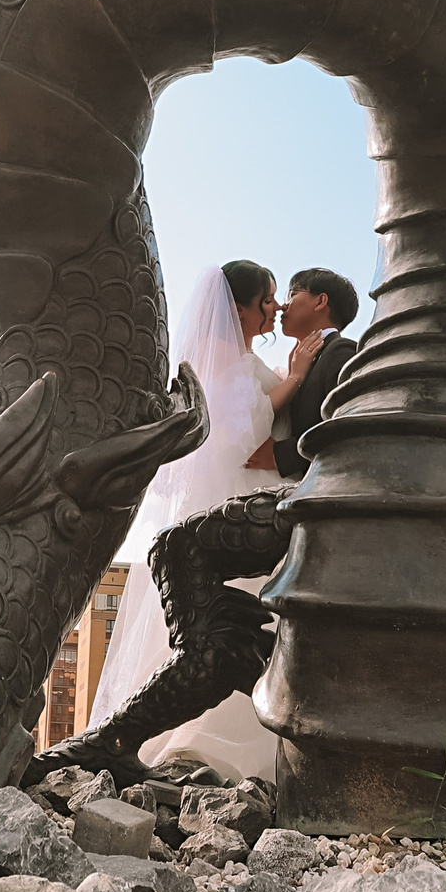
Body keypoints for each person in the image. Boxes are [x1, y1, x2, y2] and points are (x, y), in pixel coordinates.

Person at [85, 259, 281, 777]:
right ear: (240, 308)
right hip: (237, 502)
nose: (275, 309)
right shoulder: (222, 365)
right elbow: (240, 435)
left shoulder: (244, 362)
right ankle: (202, 744)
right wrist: (297, 380)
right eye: (267, 301)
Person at [246, 267, 360, 479]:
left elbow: (348, 424)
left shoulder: (341, 351)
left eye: (292, 295)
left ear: (320, 302)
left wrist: (280, 455)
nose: (282, 306)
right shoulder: (299, 362)